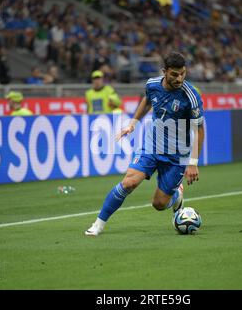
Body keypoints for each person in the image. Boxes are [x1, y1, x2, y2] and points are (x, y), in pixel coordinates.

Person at [85, 52, 205, 236]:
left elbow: (200, 129)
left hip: (177, 155)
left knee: (158, 204)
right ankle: (99, 223)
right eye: (174, 74)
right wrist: (133, 122)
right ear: (164, 72)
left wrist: (193, 162)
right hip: (152, 146)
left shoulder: (191, 96)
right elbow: (147, 101)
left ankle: (176, 196)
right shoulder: (152, 85)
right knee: (128, 183)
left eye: (182, 73)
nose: (179, 78)